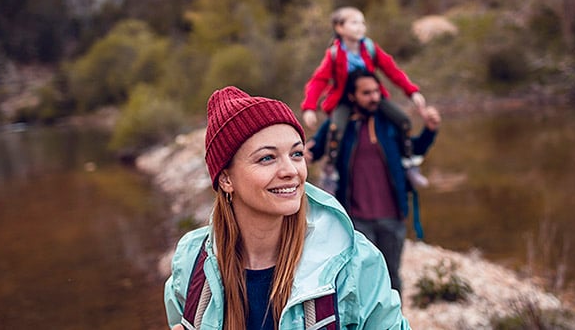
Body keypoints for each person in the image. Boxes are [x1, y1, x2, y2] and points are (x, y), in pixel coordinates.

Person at [163, 86, 410, 330]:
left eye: (296, 154)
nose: (291, 171)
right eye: (267, 158)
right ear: (226, 180)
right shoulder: (191, 263)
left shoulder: (354, 261)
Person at [306, 70, 441, 295]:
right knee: (361, 280)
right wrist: (299, 153)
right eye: (367, 93)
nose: (374, 97)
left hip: (392, 216)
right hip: (356, 220)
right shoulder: (337, 127)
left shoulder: (390, 124)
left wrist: (430, 130)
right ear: (352, 95)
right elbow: (313, 150)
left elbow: (415, 150)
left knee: (392, 277)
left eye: (377, 91)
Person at [300, 6, 430, 190]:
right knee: (336, 129)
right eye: (354, 23)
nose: (360, 27)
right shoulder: (335, 54)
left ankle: (410, 163)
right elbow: (319, 80)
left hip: (371, 96)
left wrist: (412, 91)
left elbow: (392, 71)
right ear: (339, 28)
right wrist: (309, 107)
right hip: (345, 99)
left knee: (403, 120)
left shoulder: (369, 48)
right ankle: (330, 172)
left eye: (362, 22)